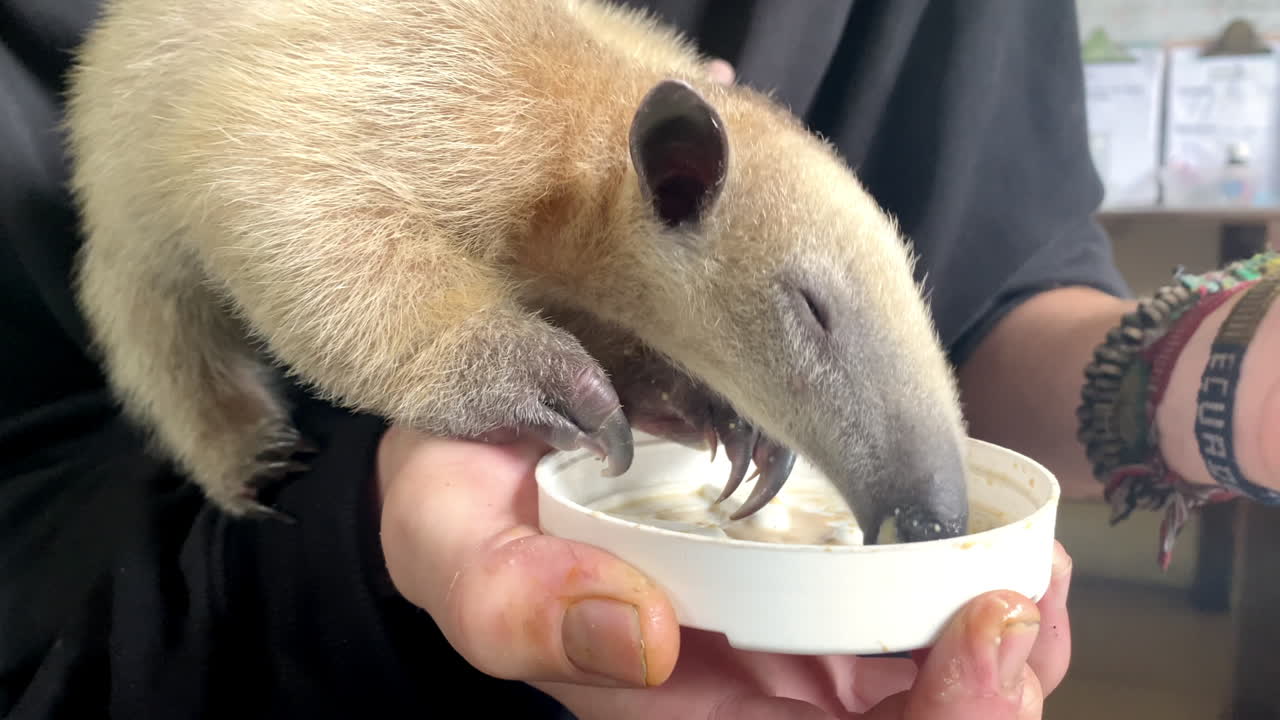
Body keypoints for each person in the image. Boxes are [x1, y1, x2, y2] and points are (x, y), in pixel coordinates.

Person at [2, 0, 1276, 718]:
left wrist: (1202, 378)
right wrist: (443, 355)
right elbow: (242, 166)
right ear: (677, 176)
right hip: (160, 623)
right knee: (204, 401)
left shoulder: (657, 140)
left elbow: (988, 281)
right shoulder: (490, 111)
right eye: (802, 320)